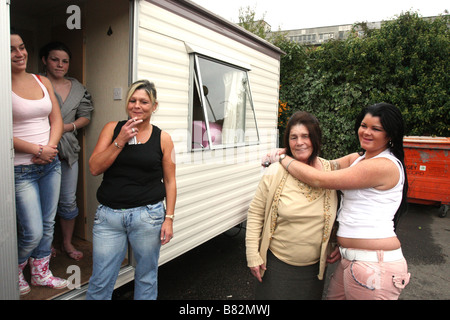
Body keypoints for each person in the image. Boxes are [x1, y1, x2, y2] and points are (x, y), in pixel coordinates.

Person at [267, 103, 410, 300]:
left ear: (390, 134)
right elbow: (323, 166)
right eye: (363, 125)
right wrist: (295, 149)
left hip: (375, 266)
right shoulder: (359, 159)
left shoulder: (383, 166)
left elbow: (320, 179)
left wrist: (283, 158)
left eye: (376, 129)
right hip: (351, 261)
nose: (366, 132)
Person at [86, 80, 176, 300]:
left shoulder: (163, 138)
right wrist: (120, 140)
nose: (137, 105)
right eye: (133, 100)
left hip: (148, 216)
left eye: (144, 101)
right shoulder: (112, 129)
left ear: (154, 106)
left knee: (146, 276)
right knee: (101, 279)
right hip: (109, 217)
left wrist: (169, 218)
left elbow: (170, 181)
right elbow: (94, 167)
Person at [246, 111, 338, 300]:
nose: (299, 142)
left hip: (314, 271)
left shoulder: (330, 172)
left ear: (316, 138)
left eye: (306, 136)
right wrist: (252, 255)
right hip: (276, 267)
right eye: (293, 137)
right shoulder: (274, 172)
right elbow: (256, 213)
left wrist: (337, 241)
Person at [11, 30, 69, 295]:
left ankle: (41, 274)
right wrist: (37, 149)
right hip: (20, 169)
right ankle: (13, 270)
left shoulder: (41, 80)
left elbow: (56, 119)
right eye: (11, 49)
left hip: (50, 164)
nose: (19, 54)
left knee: (48, 225)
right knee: (32, 231)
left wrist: (50, 148)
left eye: (21, 47)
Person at [40, 41, 94, 261]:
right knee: (45, 201)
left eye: (65, 61)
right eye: (55, 59)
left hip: (69, 151)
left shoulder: (79, 88)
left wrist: (67, 127)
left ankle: (67, 242)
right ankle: (45, 245)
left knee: (68, 200)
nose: (60, 65)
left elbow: (86, 116)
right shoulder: (35, 83)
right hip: (41, 149)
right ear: (44, 60)